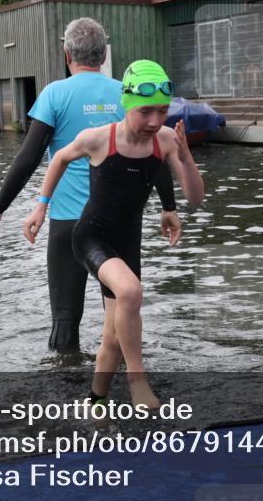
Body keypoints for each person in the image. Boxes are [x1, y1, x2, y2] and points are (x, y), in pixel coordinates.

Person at [0, 18, 181, 353]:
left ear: (67, 53)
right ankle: (125, 396)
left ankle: (66, 395)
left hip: (69, 224)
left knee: (65, 320)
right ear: (103, 54)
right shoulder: (125, 94)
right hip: (119, 224)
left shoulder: (55, 94)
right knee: (121, 317)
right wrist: (169, 208)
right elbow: (154, 154)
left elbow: (28, 158)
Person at [23, 60, 205, 409]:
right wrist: (41, 206)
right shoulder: (99, 139)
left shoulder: (165, 141)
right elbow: (59, 158)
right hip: (90, 237)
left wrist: (185, 157)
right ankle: (137, 380)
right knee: (131, 291)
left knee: (113, 337)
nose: (155, 121)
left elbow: (195, 197)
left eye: (163, 111)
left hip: (127, 242)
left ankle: (96, 406)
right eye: (146, 111)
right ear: (127, 103)